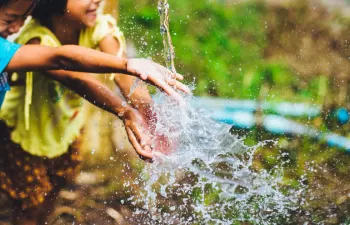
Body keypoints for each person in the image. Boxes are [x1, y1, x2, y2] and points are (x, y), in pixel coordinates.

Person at [0, 0, 189, 224]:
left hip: (66, 129)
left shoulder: (97, 26)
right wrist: (123, 109)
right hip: (24, 136)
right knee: (29, 204)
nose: (97, 0)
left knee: (54, 189)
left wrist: (148, 114)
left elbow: (126, 79)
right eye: (11, 19)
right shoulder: (33, 40)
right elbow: (73, 73)